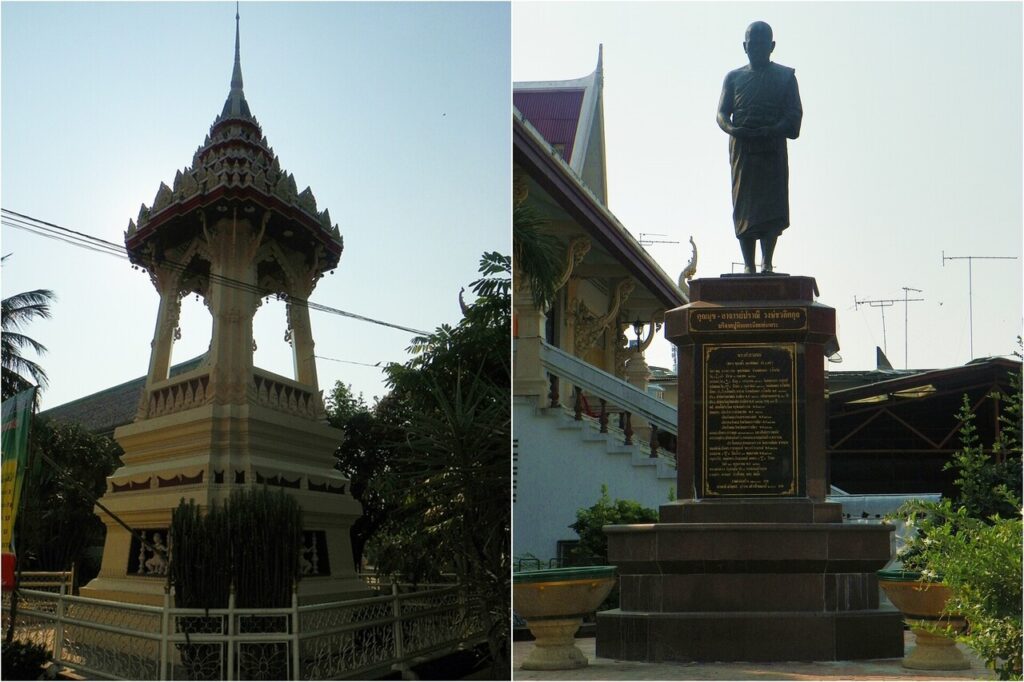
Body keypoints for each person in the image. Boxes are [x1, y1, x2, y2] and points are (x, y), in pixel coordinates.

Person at [717, 21, 802, 274]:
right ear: (744, 47)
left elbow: (794, 116)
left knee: (771, 206)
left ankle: (766, 262)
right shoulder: (733, 78)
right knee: (744, 204)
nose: (756, 49)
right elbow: (721, 113)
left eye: (762, 45)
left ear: (772, 46)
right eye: (752, 45)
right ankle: (748, 264)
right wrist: (733, 129)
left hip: (771, 147)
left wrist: (771, 129)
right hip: (743, 149)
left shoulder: (785, 77)